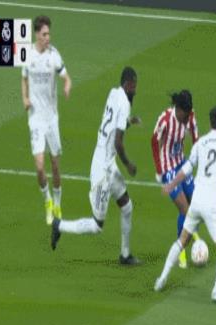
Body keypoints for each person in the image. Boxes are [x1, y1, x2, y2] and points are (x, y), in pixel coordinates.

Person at [51, 67, 141, 266]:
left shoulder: (113, 93)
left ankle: (125, 255)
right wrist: (128, 164)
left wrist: (129, 122)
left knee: (127, 206)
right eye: (134, 86)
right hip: (103, 169)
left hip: (107, 161)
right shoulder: (125, 103)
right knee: (97, 225)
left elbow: (114, 124)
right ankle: (59, 225)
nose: (135, 91)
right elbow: (118, 142)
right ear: (128, 84)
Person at [154, 106, 216, 305]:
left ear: (210, 122)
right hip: (211, 204)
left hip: (196, 201)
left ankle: (162, 279)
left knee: (182, 241)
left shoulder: (200, 143)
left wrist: (171, 184)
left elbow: (186, 169)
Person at [22, 15, 72, 225]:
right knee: (40, 167)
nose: (47, 38)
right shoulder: (28, 55)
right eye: (44, 34)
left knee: (55, 166)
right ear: (36, 34)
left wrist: (67, 86)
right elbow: (24, 78)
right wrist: (25, 98)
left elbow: (66, 77)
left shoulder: (54, 55)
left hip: (52, 119)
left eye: (49, 34)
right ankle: (48, 201)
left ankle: (58, 203)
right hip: (35, 119)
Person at [151, 90, 201, 268]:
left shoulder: (190, 116)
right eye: (185, 116)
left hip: (182, 164)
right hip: (168, 169)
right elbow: (154, 141)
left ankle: (191, 237)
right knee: (185, 209)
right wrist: (159, 170)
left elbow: (196, 141)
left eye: (188, 116)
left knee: (195, 204)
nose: (187, 119)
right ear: (178, 109)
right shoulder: (165, 120)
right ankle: (182, 250)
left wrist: (197, 164)